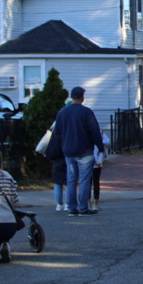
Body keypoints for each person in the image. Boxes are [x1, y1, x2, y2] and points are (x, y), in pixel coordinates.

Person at [48, 86, 104, 217]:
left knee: (71, 179)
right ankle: (83, 207)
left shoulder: (62, 113)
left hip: (68, 150)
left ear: (72, 96)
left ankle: (71, 207)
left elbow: (57, 133)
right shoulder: (86, 112)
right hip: (85, 150)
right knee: (84, 180)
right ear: (82, 97)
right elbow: (94, 131)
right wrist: (100, 147)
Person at [90, 130, 109, 212]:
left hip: (88, 159)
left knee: (88, 182)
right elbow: (106, 141)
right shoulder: (99, 132)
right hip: (96, 159)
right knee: (95, 182)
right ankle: (95, 203)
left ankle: (90, 202)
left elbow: (107, 141)